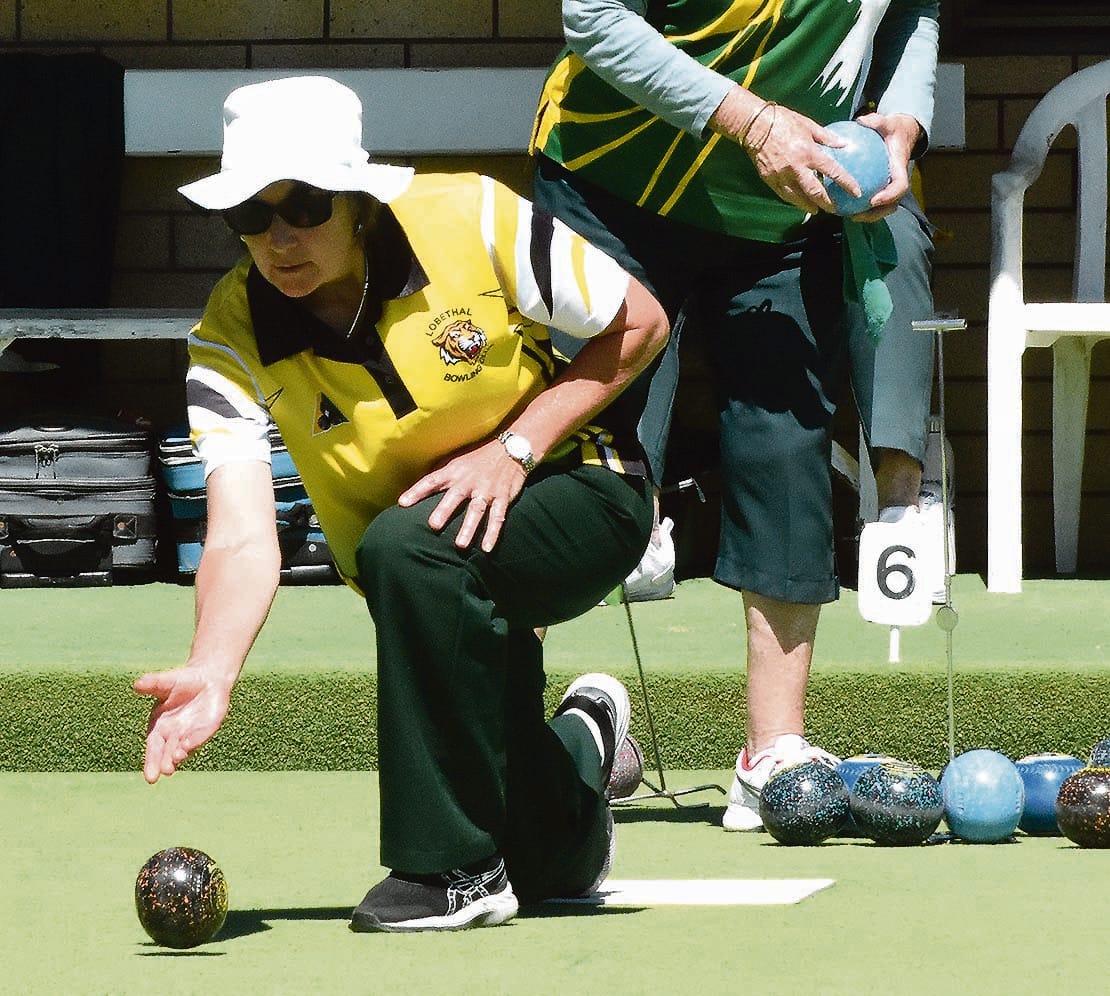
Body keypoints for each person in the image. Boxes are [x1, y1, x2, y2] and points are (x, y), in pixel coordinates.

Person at [132, 75, 669, 931]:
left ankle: (452, 872)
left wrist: (512, 450)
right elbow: (238, 533)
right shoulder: (227, 336)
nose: (279, 238)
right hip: (431, 573)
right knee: (550, 863)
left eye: (305, 205)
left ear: (358, 204)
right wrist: (213, 665)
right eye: (250, 215)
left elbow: (640, 322)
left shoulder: (474, 217)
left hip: (579, 488)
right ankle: (585, 746)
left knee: (407, 547)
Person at [531, 0, 939, 830]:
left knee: (786, 445)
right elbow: (594, 17)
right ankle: (502, 736)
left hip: (789, 198)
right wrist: (752, 122)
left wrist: (903, 116)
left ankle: (772, 753)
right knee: (566, 453)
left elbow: (913, 8)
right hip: (615, 181)